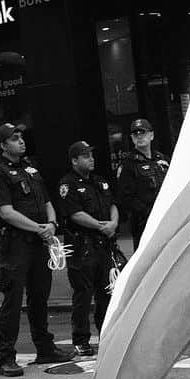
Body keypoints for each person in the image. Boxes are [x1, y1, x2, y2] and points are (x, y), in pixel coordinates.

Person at [0, 123, 75, 376]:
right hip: (15, 244)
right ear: (3, 145)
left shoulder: (31, 168)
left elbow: (46, 201)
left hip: (38, 242)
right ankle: (6, 356)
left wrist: (52, 224)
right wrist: (39, 228)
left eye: (21, 137)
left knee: (40, 296)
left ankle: (44, 347)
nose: (21, 142)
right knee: (13, 301)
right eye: (14, 139)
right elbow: (5, 212)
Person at [58, 141, 119, 356]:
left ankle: (106, 335)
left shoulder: (99, 181)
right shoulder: (68, 184)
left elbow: (112, 203)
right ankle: (81, 340)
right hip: (81, 246)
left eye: (91, 155)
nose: (91, 159)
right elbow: (75, 214)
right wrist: (101, 226)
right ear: (74, 160)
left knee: (106, 292)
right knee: (83, 294)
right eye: (85, 156)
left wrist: (112, 223)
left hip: (103, 245)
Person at [115, 118, 169, 251]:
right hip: (144, 223)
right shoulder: (129, 164)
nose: (139, 136)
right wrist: (149, 212)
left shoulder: (161, 159)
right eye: (135, 134)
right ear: (132, 139)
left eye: (143, 133)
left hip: (167, 219)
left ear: (152, 135)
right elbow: (125, 197)